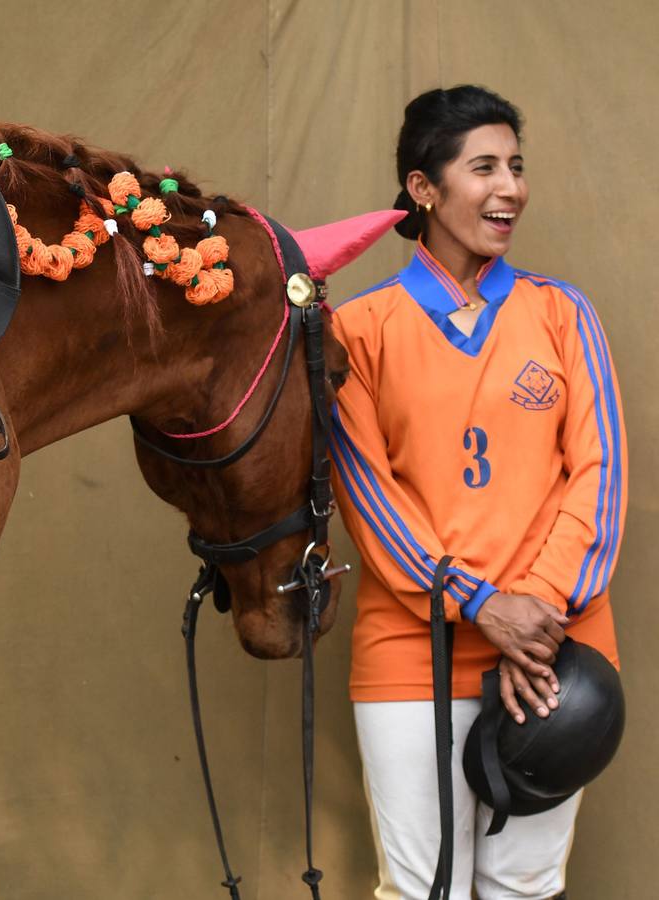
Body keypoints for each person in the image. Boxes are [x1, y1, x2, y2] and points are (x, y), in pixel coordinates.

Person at [329, 84, 627, 899]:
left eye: (518, 167)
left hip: (552, 654)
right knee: (426, 889)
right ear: (423, 188)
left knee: (525, 886)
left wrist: (529, 609)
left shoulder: (564, 315)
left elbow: (599, 479)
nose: (511, 188)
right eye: (485, 166)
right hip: (411, 655)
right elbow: (368, 497)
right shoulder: (357, 332)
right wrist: (477, 601)